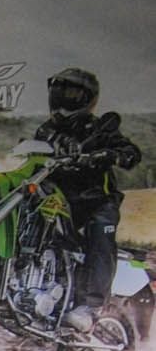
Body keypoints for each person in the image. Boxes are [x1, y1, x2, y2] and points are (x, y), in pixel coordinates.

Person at [34, 68, 142, 331]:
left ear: (87, 98)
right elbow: (35, 145)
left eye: (70, 92)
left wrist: (110, 154)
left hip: (97, 201)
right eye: (58, 91)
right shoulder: (48, 129)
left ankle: (90, 306)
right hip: (60, 201)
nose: (62, 97)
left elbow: (131, 152)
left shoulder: (98, 128)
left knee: (100, 233)